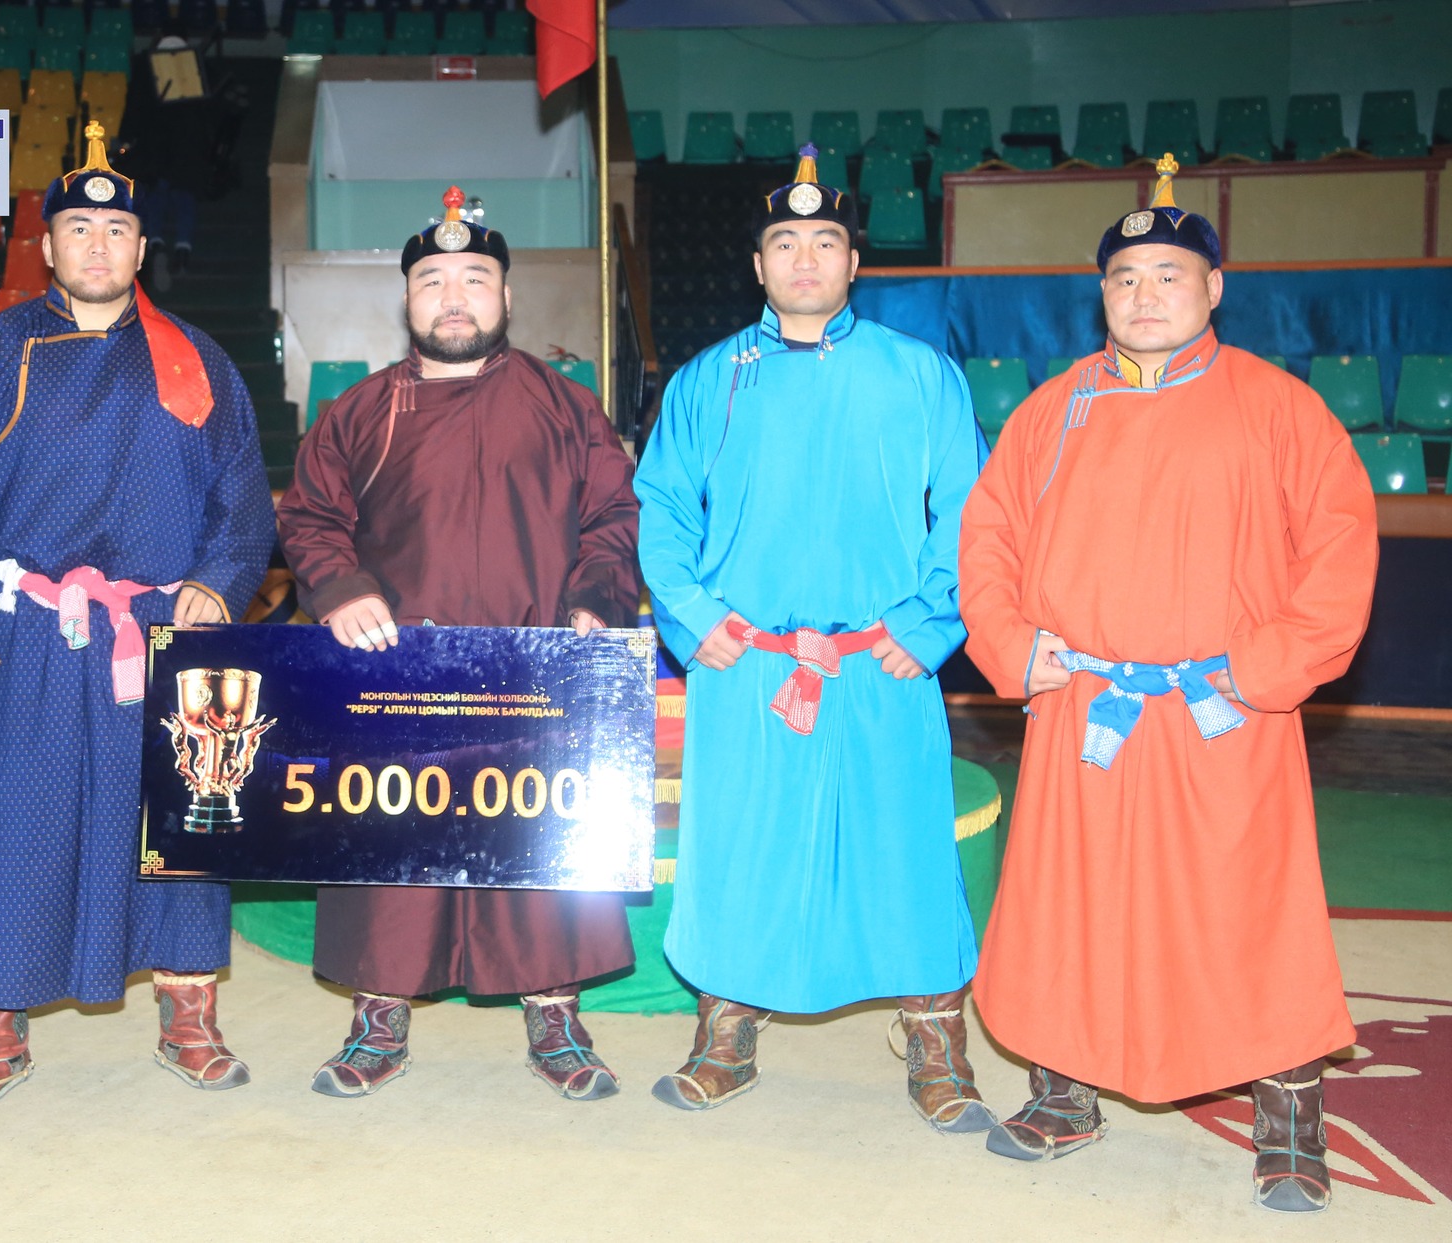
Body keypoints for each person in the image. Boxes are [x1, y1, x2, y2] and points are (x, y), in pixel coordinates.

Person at [956, 155, 1378, 1213]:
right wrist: (1014, 647)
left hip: (1222, 712)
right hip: (1081, 708)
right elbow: (987, 541)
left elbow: (1338, 556)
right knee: (1071, 903)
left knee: (1249, 909)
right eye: (1124, 279)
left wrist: (1263, 671)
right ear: (1100, 293)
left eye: (1167, 276)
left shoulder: (1281, 410)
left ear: (1213, 288)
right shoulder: (1050, 411)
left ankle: (1288, 1119)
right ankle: (1064, 1091)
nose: (1143, 296)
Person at [0, 123, 274, 1103]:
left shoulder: (198, 360)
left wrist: (220, 580)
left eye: (117, 230)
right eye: (79, 228)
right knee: (18, 823)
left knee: (182, 823)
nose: (99, 245)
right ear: (47, 246)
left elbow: (243, 499)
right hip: (35, 632)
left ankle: (188, 1013)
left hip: (166, 634)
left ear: (142, 248)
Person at [634, 147, 992, 1129]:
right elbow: (662, 508)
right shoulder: (708, 380)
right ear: (757, 264)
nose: (804, 259)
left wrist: (929, 622)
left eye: (824, 241)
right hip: (747, 664)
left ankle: (936, 1043)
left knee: (905, 851)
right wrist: (692, 617)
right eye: (784, 243)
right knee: (739, 849)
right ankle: (725, 1034)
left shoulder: (920, 374)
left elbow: (970, 510)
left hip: (881, 662)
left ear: (853, 261)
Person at [275, 186, 641, 1102]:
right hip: (400, 675)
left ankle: (555, 1016)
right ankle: (378, 1018)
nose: (453, 297)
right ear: (406, 300)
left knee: (541, 850)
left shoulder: (568, 407)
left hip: (534, 668)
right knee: (389, 857)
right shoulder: (359, 411)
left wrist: (594, 601)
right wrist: (343, 591)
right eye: (432, 281)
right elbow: (311, 518)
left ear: (506, 296)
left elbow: (613, 516)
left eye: (474, 279)